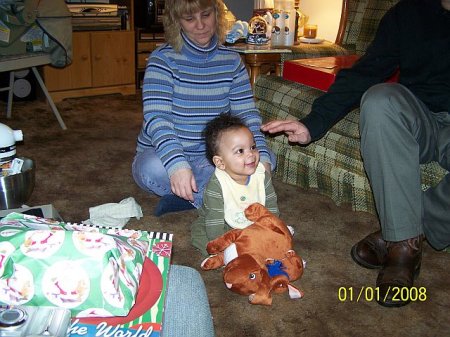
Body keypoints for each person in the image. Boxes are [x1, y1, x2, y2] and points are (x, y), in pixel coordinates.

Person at [261, 0, 450, 307]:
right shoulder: (409, 12)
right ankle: (403, 237)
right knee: (379, 99)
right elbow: (365, 73)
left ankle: (402, 239)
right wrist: (312, 123)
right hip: (423, 117)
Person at [132, 0, 275, 217]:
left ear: (217, 14)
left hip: (213, 157)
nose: (200, 25)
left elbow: (246, 117)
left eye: (206, 15)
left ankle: (190, 198)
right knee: (152, 169)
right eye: (189, 19)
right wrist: (178, 165)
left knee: (264, 159)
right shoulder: (162, 60)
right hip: (161, 154)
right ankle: (223, 202)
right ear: (177, 22)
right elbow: (157, 119)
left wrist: (261, 156)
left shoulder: (232, 61)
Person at [191, 113, 279, 256]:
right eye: (240, 151)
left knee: (274, 240)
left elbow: (271, 207)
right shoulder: (216, 185)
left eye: (252, 147)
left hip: (254, 225)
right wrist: (222, 247)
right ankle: (224, 258)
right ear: (220, 162)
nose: (251, 154)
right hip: (222, 223)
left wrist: (273, 230)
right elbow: (214, 222)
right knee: (200, 233)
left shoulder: (262, 176)